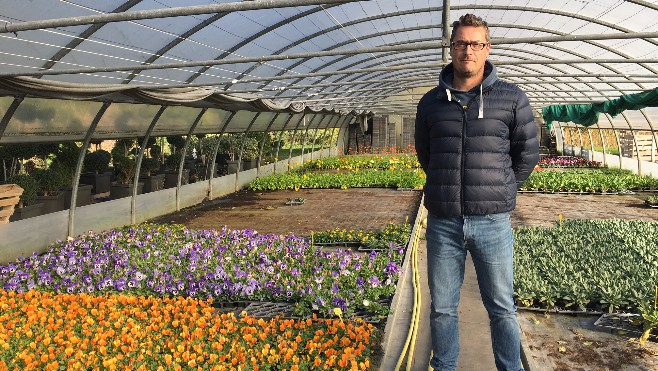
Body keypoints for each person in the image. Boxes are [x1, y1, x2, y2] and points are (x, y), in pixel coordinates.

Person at [414, 13, 539, 371]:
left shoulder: (511, 98)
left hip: (492, 222)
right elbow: (428, 154)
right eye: (461, 43)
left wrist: (503, 189)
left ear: (487, 48)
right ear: (451, 47)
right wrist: (445, 186)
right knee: (441, 307)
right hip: (443, 222)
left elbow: (527, 152)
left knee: (501, 305)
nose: (467, 50)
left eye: (476, 44)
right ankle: (446, 366)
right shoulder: (431, 102)